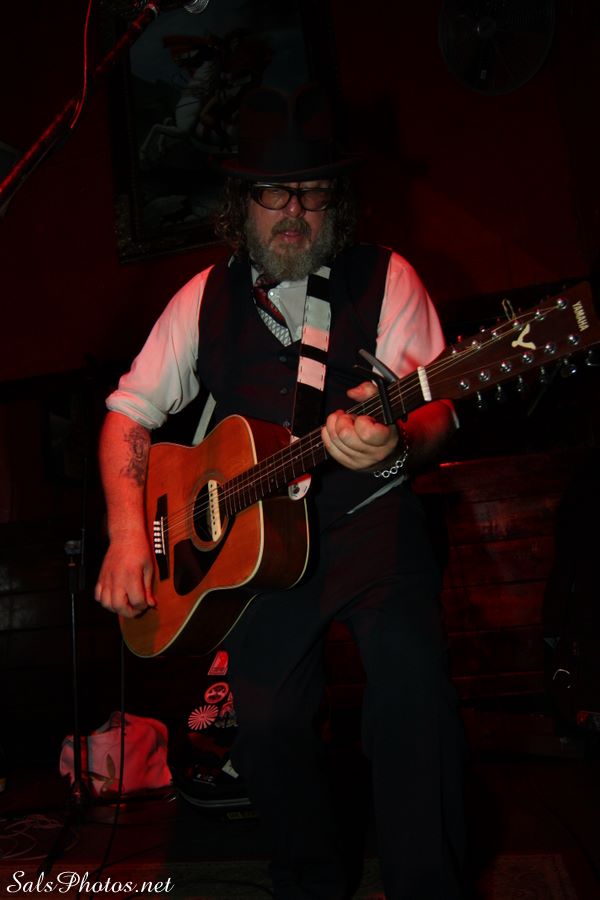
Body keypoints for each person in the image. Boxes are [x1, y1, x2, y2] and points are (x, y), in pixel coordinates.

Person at [95, 83, 466, 899]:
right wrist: (127, 534)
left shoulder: (385, 276)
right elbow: (128, 414)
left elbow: (436, 407)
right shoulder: (201, 298)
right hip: (259, 559)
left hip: (373, 527)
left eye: (313, 191)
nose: (294, 211)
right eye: (273, 192)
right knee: (264, 728)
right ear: (241, 203)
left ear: (337, 199)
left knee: (411, 701)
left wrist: (399, 439)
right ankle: (311, 882)